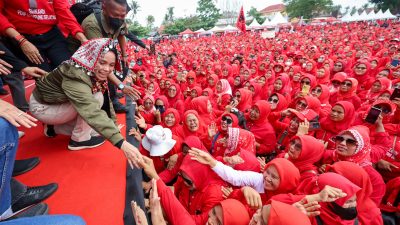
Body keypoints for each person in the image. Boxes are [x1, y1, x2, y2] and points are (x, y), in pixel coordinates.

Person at [29, 38, 142, 166]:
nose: (107, 69)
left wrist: (113, 124)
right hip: (43, 107)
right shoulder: (76, 76)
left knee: (98, 123)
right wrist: (121, 143)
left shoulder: (88, 67)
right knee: (95, 103)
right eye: (102, 62)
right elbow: (91, 111)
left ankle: (52, 128)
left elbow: (105, 100)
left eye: (111, 65)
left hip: (55, 103)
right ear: (92, 58)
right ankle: (79, 140)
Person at [0, 99, 85, 224]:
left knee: (4, 126)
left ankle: (9, 197)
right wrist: (119, 142)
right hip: (43, 107)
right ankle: (5, 212)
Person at [0, 0, 88, 71]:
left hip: (52, 34)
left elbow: (64, 12)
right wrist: (21, 41)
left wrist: (82, 38)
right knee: (44, 77)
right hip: (24, 37)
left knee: (68, 70)